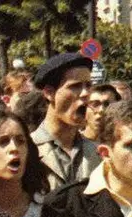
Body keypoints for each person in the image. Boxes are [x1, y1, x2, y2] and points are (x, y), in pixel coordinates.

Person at [31, 53, 99, 192]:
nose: (85, 93)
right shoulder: (28, 150)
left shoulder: (97, 153)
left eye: (88, 85)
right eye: (75, 86)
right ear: (49, 93)